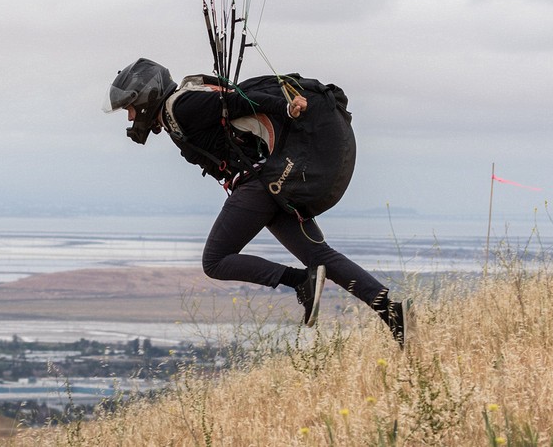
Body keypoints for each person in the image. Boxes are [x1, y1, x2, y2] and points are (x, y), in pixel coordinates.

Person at [104, 58, 407, 346]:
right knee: (320, 255)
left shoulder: (183, 106)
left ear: (146, 97)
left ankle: (301, 281)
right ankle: (392, 313)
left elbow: (240, 103)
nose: (131, 117)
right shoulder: (177, 110)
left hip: (258, 185)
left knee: (215, 260)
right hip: (270, 184)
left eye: (130, 108)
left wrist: (286, 108)